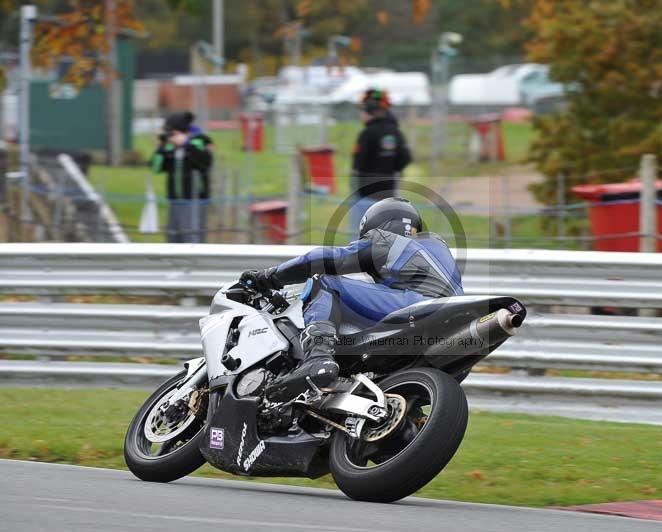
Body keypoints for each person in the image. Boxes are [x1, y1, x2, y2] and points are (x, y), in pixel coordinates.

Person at [239, 197, 463, 401]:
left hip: (419, 305)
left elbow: (323, 259)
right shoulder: (437, 248)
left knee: (324, 281)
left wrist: (268, 277)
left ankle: (317, 357)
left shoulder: (387, 240)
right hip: (451, 335)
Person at [350, 89, 413, 239]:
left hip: (365, 195)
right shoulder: (396, 133)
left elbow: (358, 163)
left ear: (369, 113)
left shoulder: (367, 134)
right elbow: (405, 157)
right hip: (388, 195)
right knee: (385, 238)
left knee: (359, 237)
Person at [151, 112, 214, 243]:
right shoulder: (170, 147)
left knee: (192, 240)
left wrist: (186, 145)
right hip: (175, 202)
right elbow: (156, 168)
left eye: (172, 133)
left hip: (194, 201)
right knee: (173, 239)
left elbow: (206, 162)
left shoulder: (199, 141)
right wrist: (161, 147)